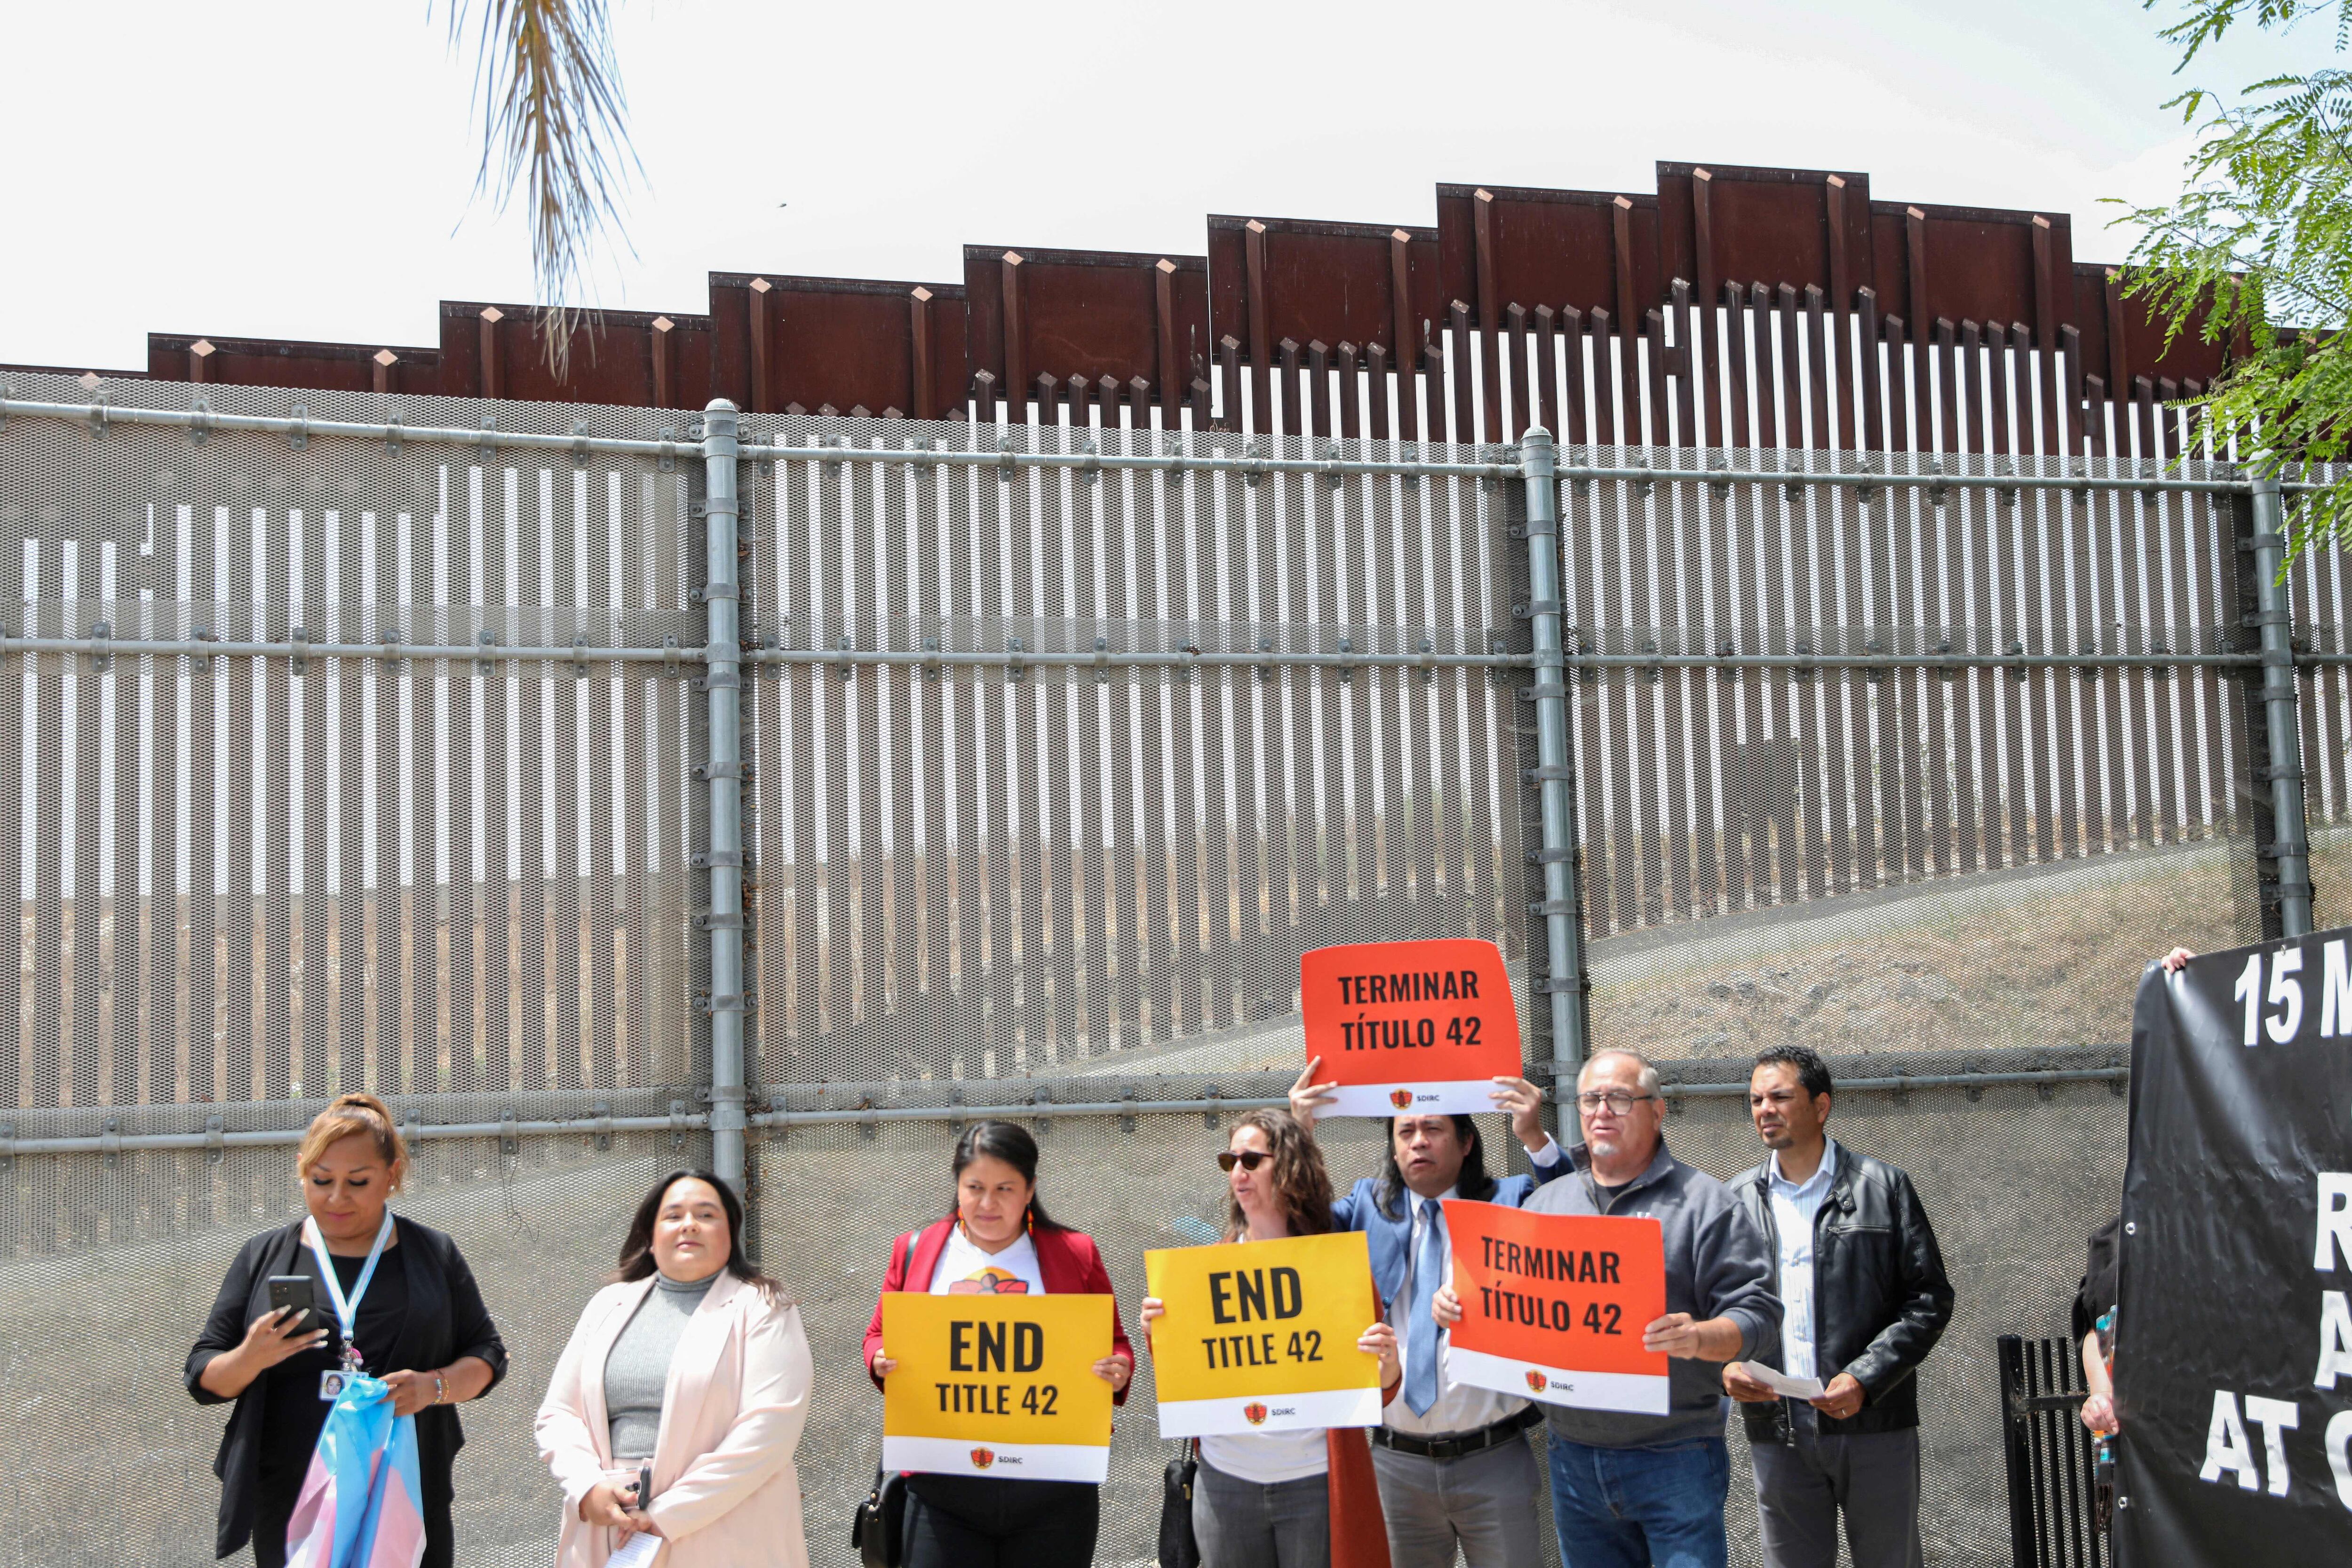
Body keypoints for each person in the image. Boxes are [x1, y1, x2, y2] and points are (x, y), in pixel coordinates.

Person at [1438, 1048, 1779, 1568]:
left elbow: (1758, 1315)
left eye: (1619, 1098)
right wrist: (1463, 1311)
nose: (1601, 1111)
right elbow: (1517, 1314)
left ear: (1657, 1110)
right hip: (1571, 1458)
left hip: (1676, 1456)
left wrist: (1701, 1336)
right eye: (1591, 1099)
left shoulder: (1706, 1204)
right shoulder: (1544, 1206)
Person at [185, 1093, 507, 1568]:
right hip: (296, 1497)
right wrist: (251, 1356)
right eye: (320, 1181)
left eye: (357, 1182)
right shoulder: (266, 1256)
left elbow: (487, 1356)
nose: (336, 1198)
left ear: (392, 1174)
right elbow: (202, 1376)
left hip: (403, 1492)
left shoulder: (432, 1255)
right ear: (301, 1170)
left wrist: (433, 1387)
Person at [1286, 1060, 1565, 1568]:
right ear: (1393, 1146)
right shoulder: (1365, 1207)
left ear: (1465, 1143)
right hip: (1395, 1464)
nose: (1417, 1141)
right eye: (1405, 1130)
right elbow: (1296, 1235)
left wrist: (1534, 1137)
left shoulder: (1510, 1201)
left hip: (1493, 1460)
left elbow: (1576, 1219)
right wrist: (1299, 1137)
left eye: (1433, 1129)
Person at [1719, 1045, 1954, 1568]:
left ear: (1820, 1106)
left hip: (1872, 1425)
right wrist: (1726, 1367)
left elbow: (1927, 1299)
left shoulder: (1882, 1188)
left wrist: (1865, 1379)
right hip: (1776, 1429)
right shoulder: (1733, 1201)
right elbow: (1712, 1309)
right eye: (1756, 1099)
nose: (1764, 1109)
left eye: (1780, 1096)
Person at [863, 1121, 1135, 1568]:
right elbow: (877, 1335)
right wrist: (880, 1359)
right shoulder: (915, 1249)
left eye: (1005, 1188)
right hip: (942, 1488)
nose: (988, 1204)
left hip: (1053, 1490)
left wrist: (1118, 1367)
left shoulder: (1076, 1251)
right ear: (957, 1185)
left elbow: (1115, 1343)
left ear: (1030, 1190)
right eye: (975, 1187)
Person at [1138, 1108, 1402, 1568]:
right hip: (1225, 1482)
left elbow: (1376, 1387)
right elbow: (1190, 1376)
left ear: (1287, 1168)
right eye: (1229, 1162)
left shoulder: (1336, 1268)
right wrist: (1160, 1336)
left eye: (1250, 1160)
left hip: (1315, 1482)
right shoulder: (1203, 1273)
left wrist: (1388, 1368)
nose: (1237, 1173)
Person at [538, 1169, 814, 1568]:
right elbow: (559, 1414)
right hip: (610, 1526)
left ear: (731, 1232)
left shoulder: (764, 1306)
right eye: (673, 1215)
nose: (689, 1224)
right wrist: (587, 1487)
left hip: (723, 1527)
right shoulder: (607, 1304)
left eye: (706, 1215)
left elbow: (770, 1430)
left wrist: (669, 1512)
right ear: (650, 1236)